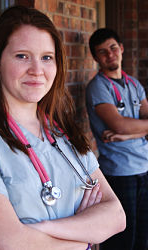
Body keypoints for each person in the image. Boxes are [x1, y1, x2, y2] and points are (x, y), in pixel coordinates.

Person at [0, 7, 125, 250]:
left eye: (46, 57)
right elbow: (9, 243)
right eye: (22, 56)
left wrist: (37, 230)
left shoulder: (63, 133)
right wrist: (85, 234)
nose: (37, 69)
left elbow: (116, 216)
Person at [86, 27, 148, 250]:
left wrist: (128, 133)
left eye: (113, 48)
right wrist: (125, 129)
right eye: (102, 52)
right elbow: (118, 124)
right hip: (119, 173)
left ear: (121, 49)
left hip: (145, 168)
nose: (109, 54)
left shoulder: (134, 84)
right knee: (121, 240)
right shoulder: (97, 87)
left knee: (144, 237)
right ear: (95, 58)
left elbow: (140, 120)